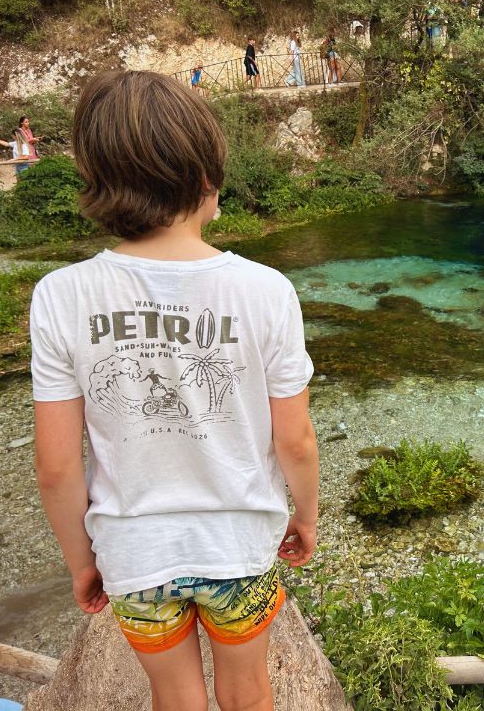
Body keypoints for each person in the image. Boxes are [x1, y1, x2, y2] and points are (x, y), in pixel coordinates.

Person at [31, 70, 318, 711]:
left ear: (98, 178)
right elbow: (294, 439)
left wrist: (83, 559)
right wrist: (304, 515)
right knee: (248, 693)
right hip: (240, 544)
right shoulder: (265, 290)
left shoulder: (62, 296)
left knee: (175, 700)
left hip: (135, 554)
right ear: (206, 176)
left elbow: (55, 468)